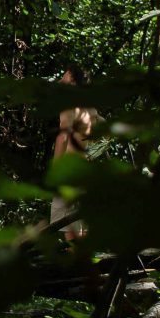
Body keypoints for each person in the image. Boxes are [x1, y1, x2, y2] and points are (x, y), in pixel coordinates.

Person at [50, 63, 99, 242]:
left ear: (71, 78)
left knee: (68, 228)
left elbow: (62, 137)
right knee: (80, 225)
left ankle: (79, 267)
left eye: (64, 74)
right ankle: (87, 267)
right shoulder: (91, 109)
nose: (61, 78)